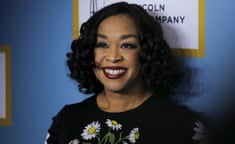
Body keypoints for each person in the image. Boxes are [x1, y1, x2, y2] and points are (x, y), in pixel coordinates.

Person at [45, 2, 208, 144]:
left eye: (127, 45)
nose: (113, 57)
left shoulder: (181, 125)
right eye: (102, 44)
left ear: (146, 53)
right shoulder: (67, 119)